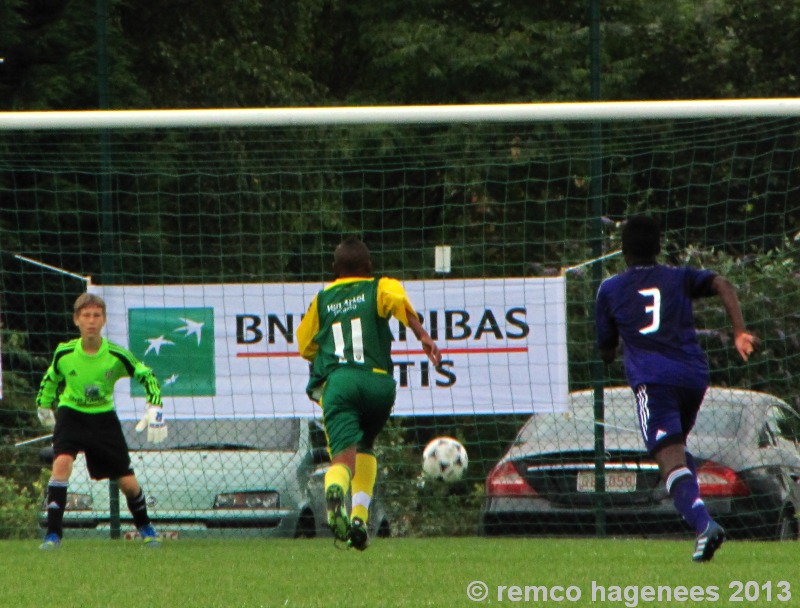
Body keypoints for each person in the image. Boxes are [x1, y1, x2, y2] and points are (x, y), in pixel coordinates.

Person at [595, 216, 758, 562]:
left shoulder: (610, 289)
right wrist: (739, 332)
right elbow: (723, 283)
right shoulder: (679, 277)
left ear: (622, 250)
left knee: (668, 458)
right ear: (658, 248)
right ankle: (700, 530)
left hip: (654, 382)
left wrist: (616, 345)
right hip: (693, 377)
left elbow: (606, 349)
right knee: (679, 450)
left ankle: (704, 525)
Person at [297, 237, 441, 550]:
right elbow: (398, 302)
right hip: (379, 384)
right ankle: (359, 519)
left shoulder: (321, 300)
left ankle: (335, 492)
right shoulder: (379, 287)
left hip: (342, 385)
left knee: (343, 461)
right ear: (369, 267)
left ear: (334, 270)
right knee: (366, 445)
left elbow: (305, 344)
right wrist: (423, 335)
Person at [35, 293, 168, 549]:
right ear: (77, 320)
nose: (91, 321)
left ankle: (145, 528)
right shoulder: (64, 352)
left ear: (104, 320)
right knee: (61, 464)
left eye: (97, 316)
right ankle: (53, 535)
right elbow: (51, 378)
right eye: (86, 316)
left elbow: (146, 375)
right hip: (71, 415)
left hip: (103, 419)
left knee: (128, 484)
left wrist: (155, 407)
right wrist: (43, 404)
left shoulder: (116, 355)